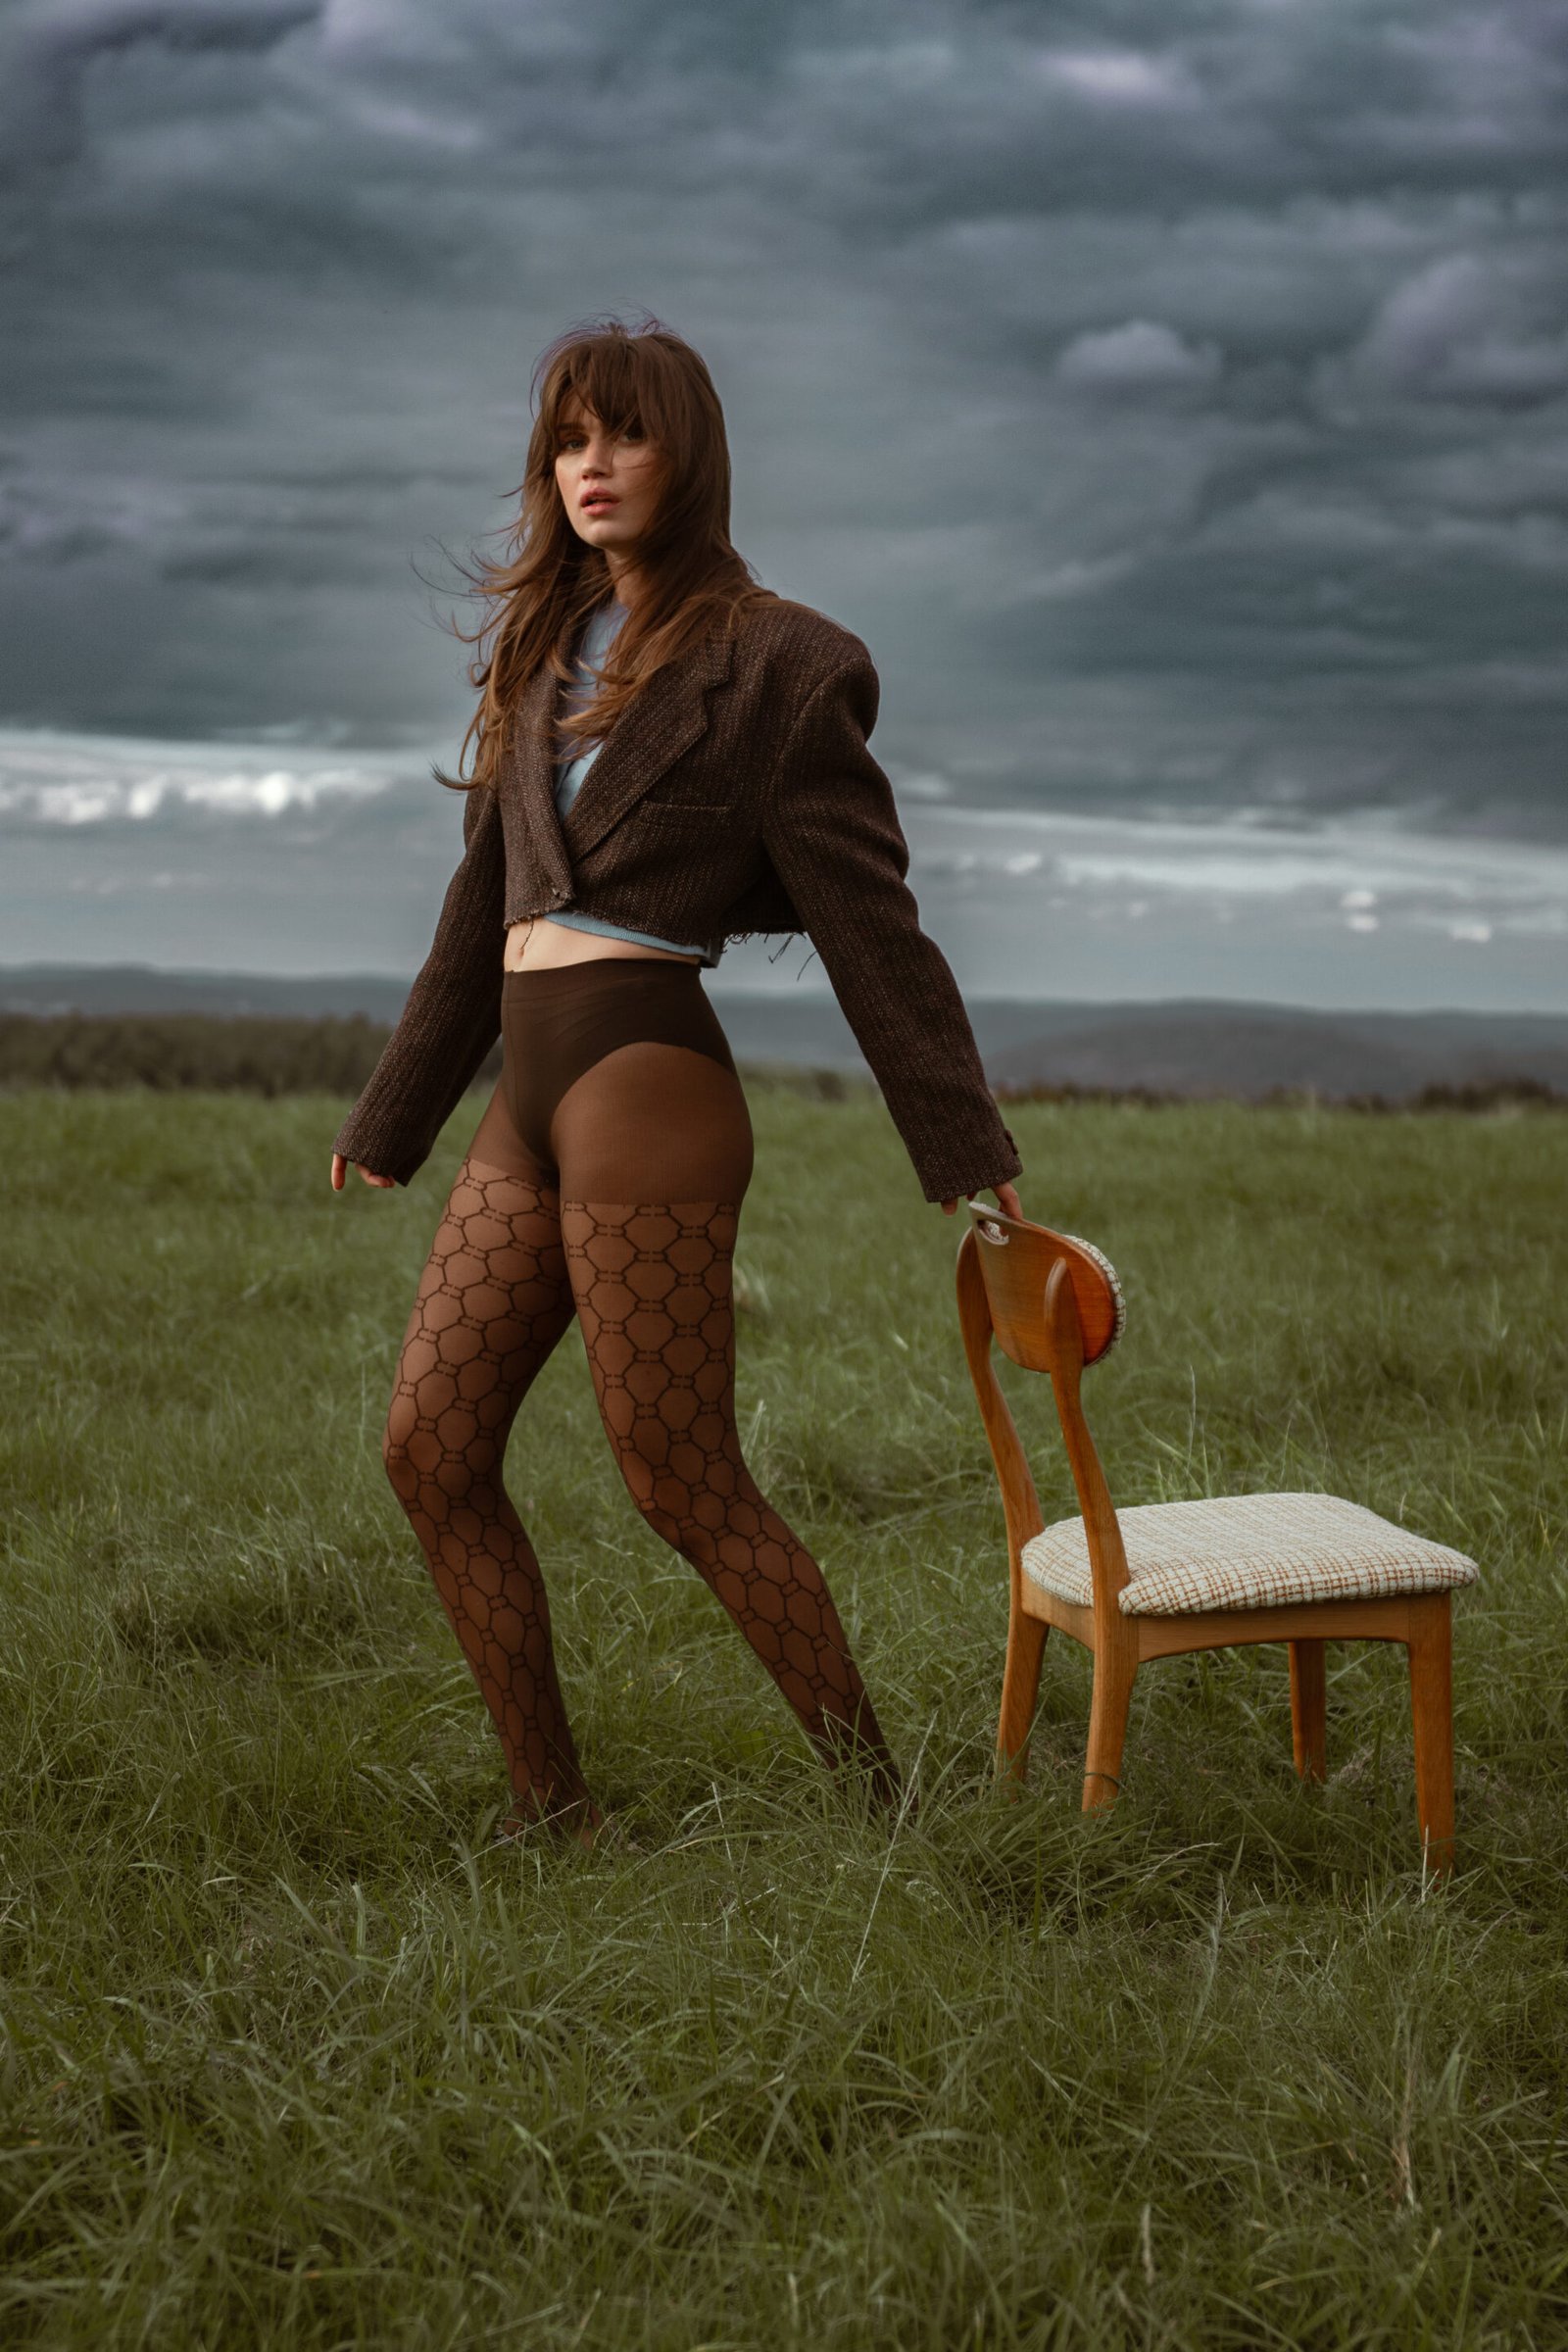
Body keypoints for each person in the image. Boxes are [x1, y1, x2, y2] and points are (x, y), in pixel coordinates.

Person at [331, 315, 1024, 1845]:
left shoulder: (784, 664)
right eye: (569, 439)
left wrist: (962, 1142)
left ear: (687, 453)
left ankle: (885, 1813)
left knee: (680, 1481)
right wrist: (394, 1113)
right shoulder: (541, 649)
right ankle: (553, 1815)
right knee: (430, 1451)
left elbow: (872, 924)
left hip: (646, 1080)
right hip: (526, 1087)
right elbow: (481, 902)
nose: (592, 466)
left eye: (625, 434)